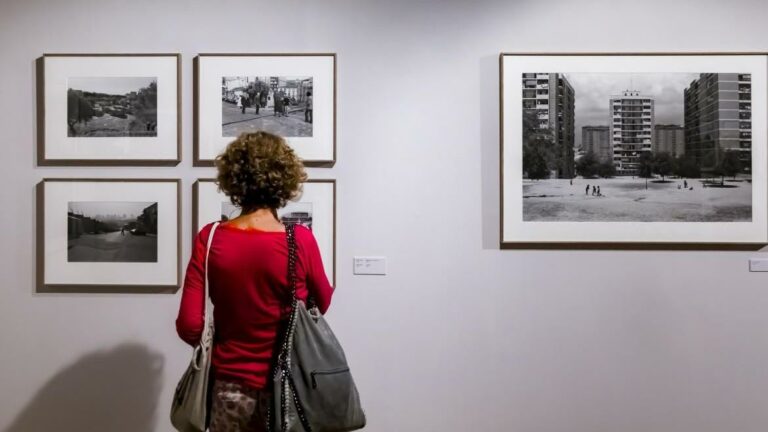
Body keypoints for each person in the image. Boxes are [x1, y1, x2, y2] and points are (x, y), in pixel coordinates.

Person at [176, 131, 333, 432]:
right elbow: (321, 305)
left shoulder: (209, 238)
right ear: (285, 180)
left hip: (229, 388)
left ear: (233, 180)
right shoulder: (299, 240)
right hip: (291, 389)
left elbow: (189, 326)